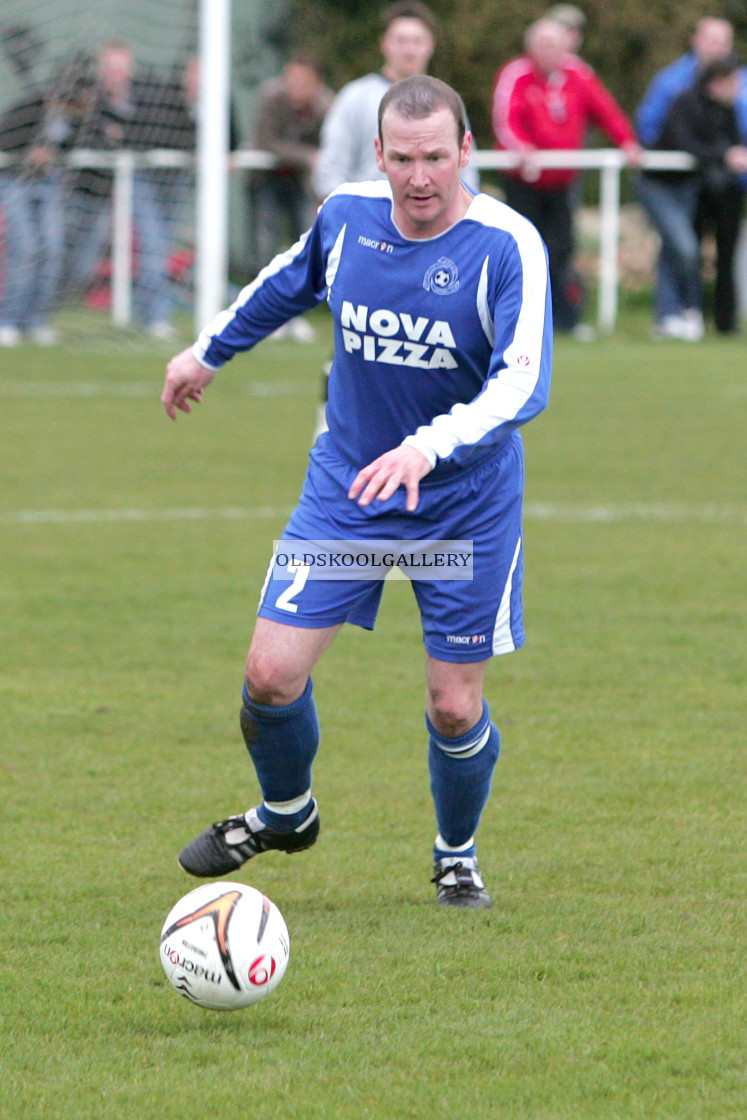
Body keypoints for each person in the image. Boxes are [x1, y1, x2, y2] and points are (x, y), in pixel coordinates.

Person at [161, 75, 552, 909]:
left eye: (436, 159)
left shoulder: (505, 243)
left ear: (466, 153)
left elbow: (520, 386)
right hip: (351, 496)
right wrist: (206, 353)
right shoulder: (347, 216)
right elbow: (284, 282)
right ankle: (285, 814)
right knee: (269, 674)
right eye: (402, 159)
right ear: (378, 155)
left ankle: (455, 856)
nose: (419, 178)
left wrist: (426, 447)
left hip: (462, 508)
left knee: (453, 708)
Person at [311, 2, 478, 427]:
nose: (409, 49)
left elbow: (465, 177)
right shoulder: (357, 98)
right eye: (401, 39)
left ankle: (428, 447)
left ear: (430, 46)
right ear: (386, 44)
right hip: (372, 245)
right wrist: (349, 220)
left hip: (436, 246)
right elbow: (330, 168)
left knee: (433, 346)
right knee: (360, 342)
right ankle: (332, 436)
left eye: (417, 40)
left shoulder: (446, 105)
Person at [492, 17, 640, 337]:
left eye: (556, 45)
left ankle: (567, 320)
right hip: (523, 183)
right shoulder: (516, 74)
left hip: (562, 184)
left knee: (563, 250)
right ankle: (519, 320)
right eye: (544, 45)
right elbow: (505, 121)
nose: (551, 52)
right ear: (531, 48)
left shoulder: (578, 74)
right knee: (522, 251)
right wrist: (521, 147)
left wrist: (626, 141)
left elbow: (605, 110)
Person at [64, 39, 200, 338]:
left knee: (155, 245)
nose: (116, 75)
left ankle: (153, 316)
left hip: (149, 180)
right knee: (80, 260)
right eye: (110, 68)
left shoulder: (148, 96)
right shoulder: (89, 100)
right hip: (93, 191)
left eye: (121, 68)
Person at [636, 17, 747, 336]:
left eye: (723, 40)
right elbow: (662, 135)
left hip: (709, 186)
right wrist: (722, 155)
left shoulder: (730, 97)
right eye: (711, 39)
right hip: (667, 183)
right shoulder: (674, 86)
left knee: (704, 253)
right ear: (696, 40)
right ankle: (675, 315)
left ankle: (705, 319)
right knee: (682, 248)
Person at [0, 63, 93, 346]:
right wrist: (28, 152)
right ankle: (9, 320)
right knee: (25, 248)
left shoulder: (76, 119)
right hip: (15, 180)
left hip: (48, 182)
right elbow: (5, 138)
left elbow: (68, 147)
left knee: (53, 248)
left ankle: (37, 319)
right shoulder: (30, 106)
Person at [248, 55, 333, 342]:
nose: (295, 87)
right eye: (291, 80)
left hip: (299, 184)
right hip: (266, 182)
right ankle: (263, 316)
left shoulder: (326, 106)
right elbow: (266, 141)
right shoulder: (271, 98)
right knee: (266, 247)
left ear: (316, 84)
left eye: (303, 82)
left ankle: (294, 315)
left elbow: (329, 144)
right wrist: (306, 156)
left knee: (305, 248)